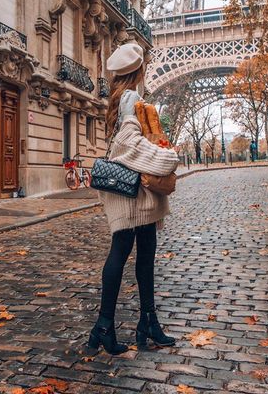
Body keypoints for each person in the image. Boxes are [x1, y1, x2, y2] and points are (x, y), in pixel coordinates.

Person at [88, 43, 179, 355]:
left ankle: (145, 323)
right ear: (139, 70)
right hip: (133, 196)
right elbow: (128, 144)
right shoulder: (132, 99)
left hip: (137, 197)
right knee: (124, 252)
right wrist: (166, 158)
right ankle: (108, 325)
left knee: (142, 254)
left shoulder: (118, 98)